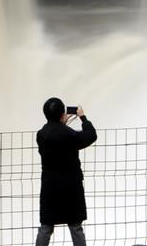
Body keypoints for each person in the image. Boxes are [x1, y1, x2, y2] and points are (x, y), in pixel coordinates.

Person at [35, 98, 97, 246]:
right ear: (63, 114)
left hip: (50, 187)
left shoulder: (41, 135)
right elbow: (91, 135)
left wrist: (60, 124)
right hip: (71, 187)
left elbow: (54, 134)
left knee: (46, 227)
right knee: (76, 226)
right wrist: (82, 117)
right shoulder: (70, 135)